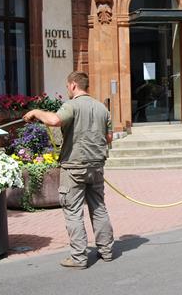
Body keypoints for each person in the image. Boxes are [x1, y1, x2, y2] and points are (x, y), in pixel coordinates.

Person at [23, 71, 114, 269]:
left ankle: (79, 258)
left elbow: (55, 121)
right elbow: (109, 138)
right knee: (98, 208)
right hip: (96, 165)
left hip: (74, 167)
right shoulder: (102, 108)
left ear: (73, 85)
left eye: (67, 87)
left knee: (73, 212)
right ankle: (106, 251)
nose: (67, 90)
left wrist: (36, 112)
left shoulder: (71, 105)